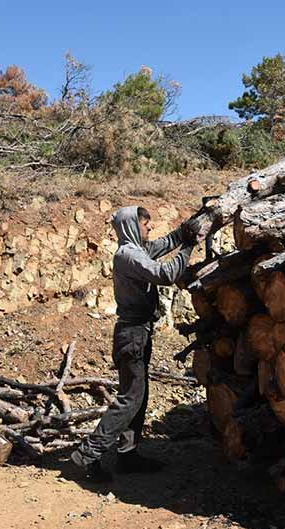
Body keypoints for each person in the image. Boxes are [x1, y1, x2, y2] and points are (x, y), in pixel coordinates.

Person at [71, 206, 200, 482]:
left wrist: (185, 229)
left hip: (137, 333)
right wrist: (187, 248)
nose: (149, 228)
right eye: (145, 224)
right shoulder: (128, 256)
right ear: (132, 226)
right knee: (130, 398)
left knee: (137, 398)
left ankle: (128, 456)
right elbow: (165, 274)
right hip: (132, 335)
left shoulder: (137, 250)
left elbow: (163, 244)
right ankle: (87, 455)